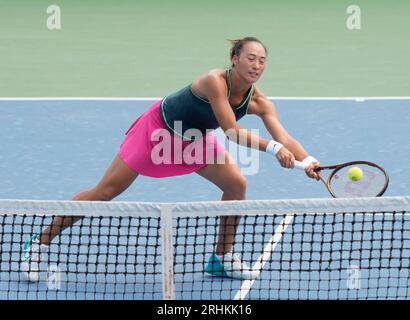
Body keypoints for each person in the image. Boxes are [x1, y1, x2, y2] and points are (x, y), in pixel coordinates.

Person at [21, 37, 320, 282]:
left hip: (195, 139)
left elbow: (285, 136)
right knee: (105, 193)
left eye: (262, 60)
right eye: (251, 57)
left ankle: (222, 257)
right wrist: (272, 149)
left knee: (236, 184)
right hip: (158, 132)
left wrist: (307, 160)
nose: (257, 64)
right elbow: (231, 131)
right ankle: (38, 243)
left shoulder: (259, 101)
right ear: (235, 59)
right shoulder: (214, 81)